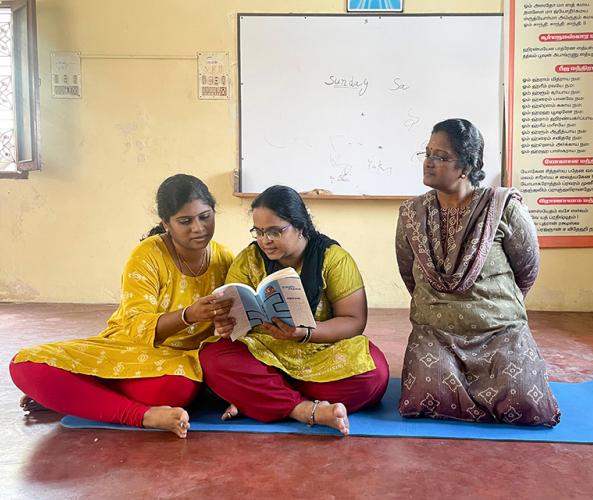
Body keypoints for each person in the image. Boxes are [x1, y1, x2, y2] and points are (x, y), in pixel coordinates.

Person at [9, 174, 235, 437]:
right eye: (185, 221)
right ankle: (142, 416)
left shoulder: (225, 259)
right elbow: (137, 326)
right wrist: (188, 315)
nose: (198, 228)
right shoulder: (148, 255)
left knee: (174, 389)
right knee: (24, 364)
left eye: (205, 216)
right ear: (166, 223)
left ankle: (77, 394)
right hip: (127, 347)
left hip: (178, 364)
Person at [395, 119, 561, 426]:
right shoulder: (411, 214)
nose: (428, 162)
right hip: (436, 332)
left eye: (440, 156)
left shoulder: (503, 207)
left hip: (499, 331)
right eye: (427, 153)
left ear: (467, 166)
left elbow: (527, 269)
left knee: (525, 402)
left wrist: (492, 309)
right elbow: (410, 274)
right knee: (425, 394)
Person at [201, 185, 389, 435]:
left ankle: (260, 397)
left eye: (275, 231)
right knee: (213, 358)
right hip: (266, 351)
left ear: (300, 227)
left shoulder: (333, 259)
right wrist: (227, 325)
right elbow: (234, 318)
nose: (264, 240)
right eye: (258, 231)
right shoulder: (249, 259)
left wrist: (305, 333)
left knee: (375, 375)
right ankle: (303, 409)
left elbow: (354, 321)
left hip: (320, 351)